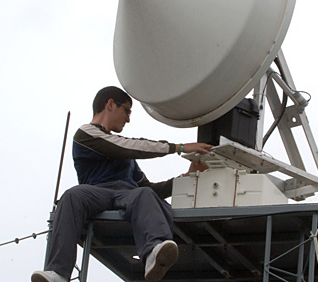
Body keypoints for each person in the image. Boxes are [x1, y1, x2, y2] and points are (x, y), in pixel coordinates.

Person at [31, 86, 212, 282]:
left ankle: (153, 253)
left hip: (127, 194)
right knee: (71, 195)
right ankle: (58, 272)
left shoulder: (126, 157)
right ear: (110, 104)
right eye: (127, 110)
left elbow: (149, 188)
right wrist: (179, 148)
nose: (128, 119)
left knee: (144, 194)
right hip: (96, 192)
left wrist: (186, 177)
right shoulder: (86, 134)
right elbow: (127, 146)